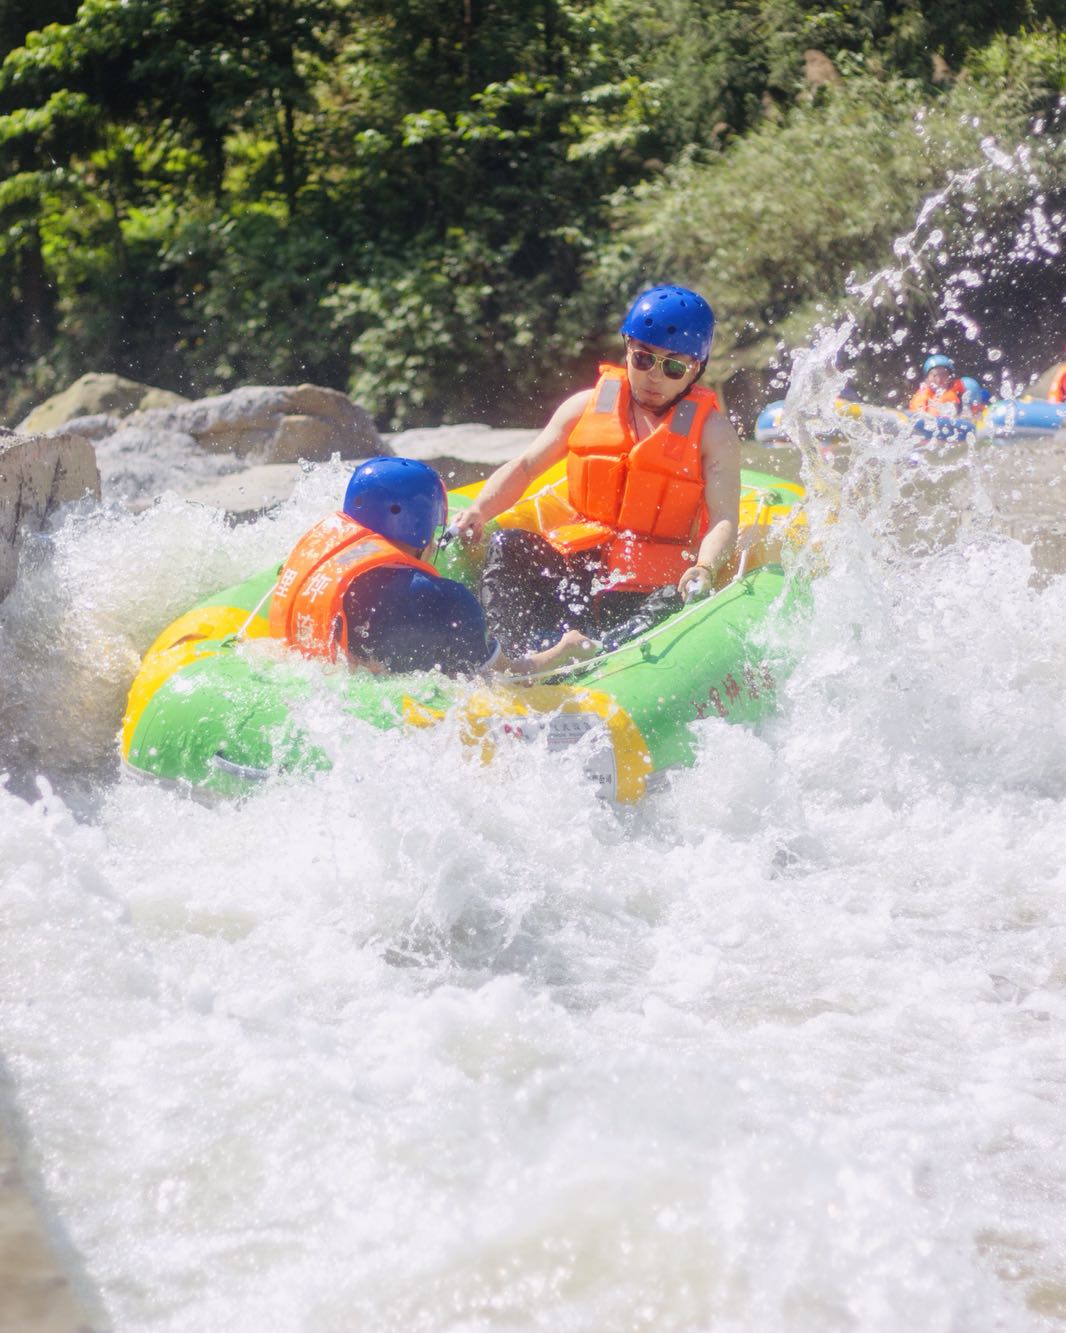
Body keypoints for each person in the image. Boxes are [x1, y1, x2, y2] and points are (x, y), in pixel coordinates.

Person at [456, 284, 742, 654]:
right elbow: (526, 467)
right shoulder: (585, 406)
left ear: (696, 369)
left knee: (666, 603)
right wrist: (479, 511)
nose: (654, 377)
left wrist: (704, 568)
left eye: (672, 366)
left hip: (649, 586)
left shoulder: (713, 434)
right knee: (508, 544)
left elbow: (724, 519)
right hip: (579, 567)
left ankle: (603, 664)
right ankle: (508, 656)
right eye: (643, 359)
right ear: (627, 348)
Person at [268, 456, 595, 676]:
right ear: (420, 524)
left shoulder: (319, 566)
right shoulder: (442, 599)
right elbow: (506, 678)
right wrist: (565, 650)